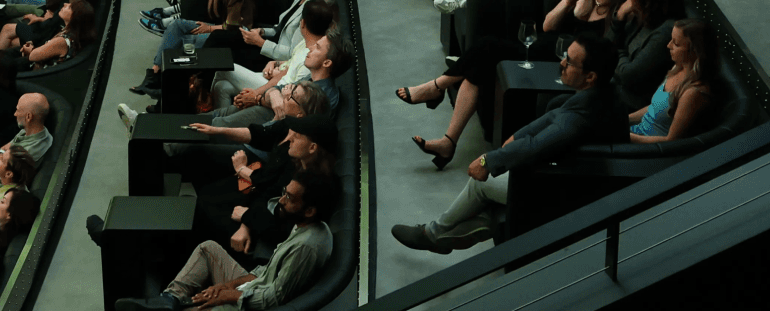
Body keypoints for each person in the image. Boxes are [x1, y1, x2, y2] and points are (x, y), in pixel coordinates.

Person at [390, 35, 626, 253]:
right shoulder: (602, 94)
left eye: (570, 61)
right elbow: (552, 119)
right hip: (571, 175)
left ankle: (433, 232)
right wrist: (519, 135)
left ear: (591, 76)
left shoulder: (579, 117)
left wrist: (488, 160)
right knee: (489, 212)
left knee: (481, 184)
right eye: (565, 55)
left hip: (564, 188)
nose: (562, 63)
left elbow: (538, 144)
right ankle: (437, 239)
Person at [115, 173, 338, 311]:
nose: (281, 200)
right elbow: (266, 271)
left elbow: (272, 300)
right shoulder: (303, 224)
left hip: (253, 305)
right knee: (208, 248)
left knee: (198, 304)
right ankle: (169, 299)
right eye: (284, 193)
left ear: (309, 210)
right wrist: (226, 285)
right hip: (253, 287)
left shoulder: (306, 247)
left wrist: (227, 295)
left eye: (289, 198)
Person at [629, 20, 719, 143]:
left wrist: (624, 136)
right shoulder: (677, 68)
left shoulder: (693, 93)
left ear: (694, 51)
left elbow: (671, 140)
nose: (668, 45)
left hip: (648, 148)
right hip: (637, 133)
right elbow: (655, 108)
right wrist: (623, 120)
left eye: (676, 44)